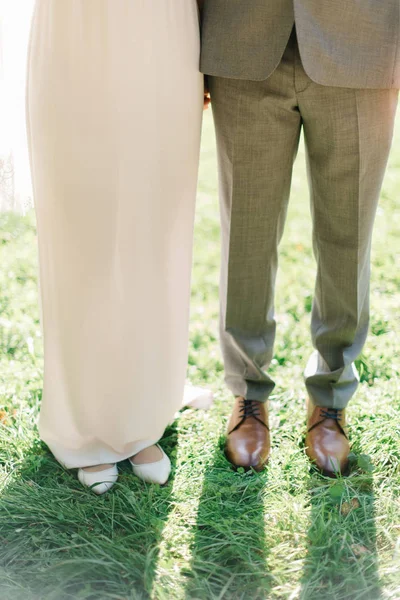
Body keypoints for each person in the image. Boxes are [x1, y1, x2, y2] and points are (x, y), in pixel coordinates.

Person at [200, 1, 399, 475]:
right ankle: (248, 394)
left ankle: (330, 397)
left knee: (348, 235)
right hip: (241, 38)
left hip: (362, 41)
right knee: (246, 234)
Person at [26, 0, 210, 494]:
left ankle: (147, 402)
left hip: (164, 31)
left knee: (155, 222)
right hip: (80, 31)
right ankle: (89, 419)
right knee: (83, 227)